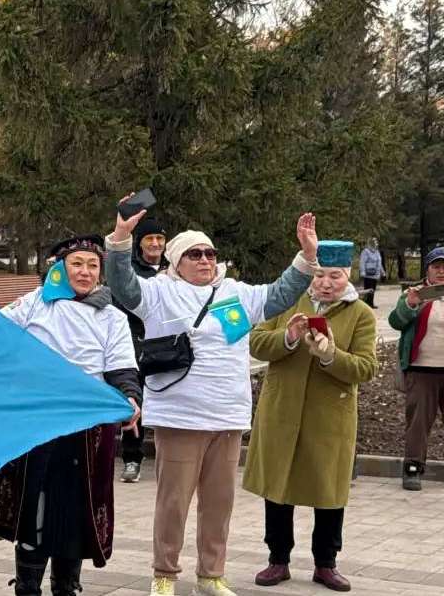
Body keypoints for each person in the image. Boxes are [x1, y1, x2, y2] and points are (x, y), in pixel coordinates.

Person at [106, 197, 318, 596]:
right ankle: (164, 574)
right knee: (173, 504)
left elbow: (280, 294)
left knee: (219, 504)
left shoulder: (236, 292)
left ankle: (211, 574)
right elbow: (122, 285)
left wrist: (306, 258)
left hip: (227, 416)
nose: (204, 260)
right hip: (179, 417)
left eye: (210, 253)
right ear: (175, 261)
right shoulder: (158, 292)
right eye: (194, 254)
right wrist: (120, 238)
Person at [0, 235, 142, 596]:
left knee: (76, 509)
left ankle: (67, 587)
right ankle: (27, 587)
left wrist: (130, 398)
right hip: (36, 421)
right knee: (34, 504)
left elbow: (122, 371)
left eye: (92, 266)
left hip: (86, 428)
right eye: (77, 264)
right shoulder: (34, 304)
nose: (84, 272)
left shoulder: (112, 316)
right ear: (60, 267)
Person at [245, 241, 378, 592]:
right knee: (278, 486)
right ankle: (277, 560)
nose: (326, 283)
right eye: (320, 275)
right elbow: (256, 343)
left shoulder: (360, 313)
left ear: (346, 275)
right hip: (282, 410)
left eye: (335, 275)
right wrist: (287, 336)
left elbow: (366, 368)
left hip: (330, 417)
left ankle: (326, 563)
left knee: (329, 490)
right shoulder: (287, 301)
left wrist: (331, 355)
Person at [389, 246, 444, 491]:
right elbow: (396, 321)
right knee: (418, 422)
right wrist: (411, 305)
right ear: (428, 270)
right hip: (422, 370)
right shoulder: (416, 294)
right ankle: (413, 467)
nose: (441, 272)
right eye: (436, 267)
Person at [118, 217, 168, 483]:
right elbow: (122, 303)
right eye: (150, 239)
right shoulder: (130, 271)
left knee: (168, 400)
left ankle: (167, 458)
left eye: (160, 239)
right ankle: (132, 459)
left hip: (169, 347)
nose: (156, 244)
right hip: (136, 344)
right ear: (140, 243)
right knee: (134, 402)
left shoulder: (175, 268)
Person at [359, 238, 382, 308]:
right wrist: (362, 271)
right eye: (375, 242)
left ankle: (371, 303)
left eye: (376, 242)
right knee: (368, 290)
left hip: (375, 274)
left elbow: (379, 262)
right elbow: (362, 262)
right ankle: (366, 304)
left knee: (373, 290)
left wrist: (382, 271)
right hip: (368, 274)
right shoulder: (365, 251)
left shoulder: (377, 252)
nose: (376, 243)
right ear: (371, 243)